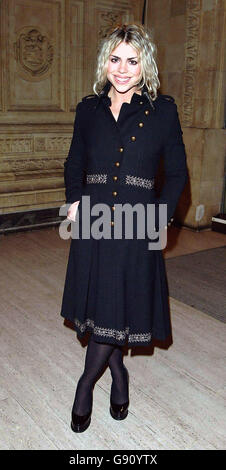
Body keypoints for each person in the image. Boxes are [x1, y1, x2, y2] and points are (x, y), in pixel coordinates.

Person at [60, 23, 188, 433]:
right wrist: (75, 200)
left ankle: (86, 384)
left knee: (116, 306)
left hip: (136, 225)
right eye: (115, 59)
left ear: (144, 64)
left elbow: (178, 175)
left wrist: (160, 216)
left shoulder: (162, 111)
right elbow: (74, 162)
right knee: (102, 308)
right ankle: (118, 375)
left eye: (132, 61)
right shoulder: (88, 110)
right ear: (105, 62)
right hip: (94, 222)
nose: (122, 69)